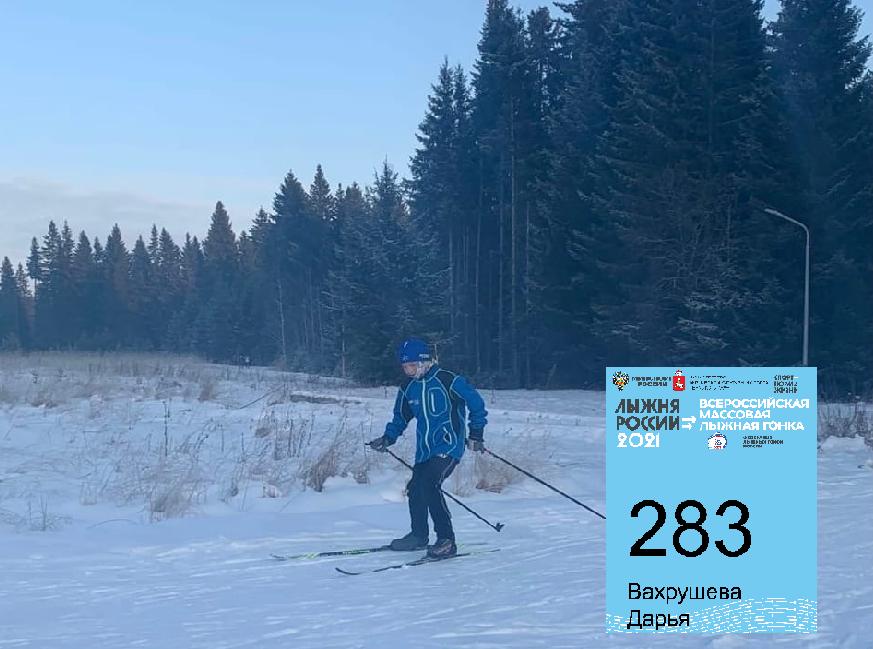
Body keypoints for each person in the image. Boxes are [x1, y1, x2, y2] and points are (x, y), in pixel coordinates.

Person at [368, 338, 488, 558]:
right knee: (415, 488)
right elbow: (400, 417)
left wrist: (476, 433)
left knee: (430, 484)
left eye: (412, 366)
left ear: (424, 362)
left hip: (449, 445)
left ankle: (446, 540)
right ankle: (419, 536)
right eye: (405, 366)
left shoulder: (448, 380)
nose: (408, 370)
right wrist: (387, 438)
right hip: (425, 450)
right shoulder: (408, 388)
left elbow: (476, 403)